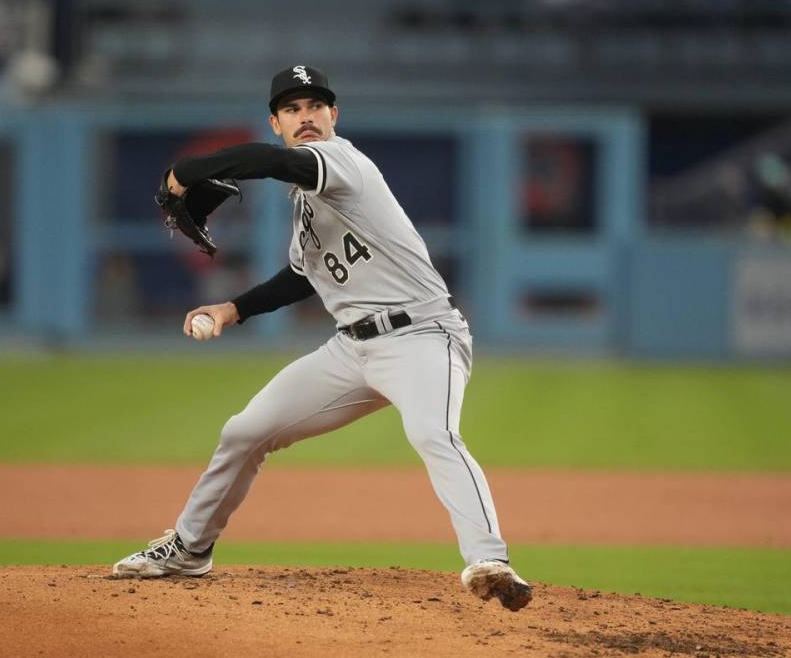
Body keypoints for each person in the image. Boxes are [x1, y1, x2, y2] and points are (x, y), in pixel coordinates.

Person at [111, 66, 532, 611]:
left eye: (315, 105)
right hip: (351, 350)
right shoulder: (306, 203)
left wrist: (186, 171)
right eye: (291, 109)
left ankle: (490, 559)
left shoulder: (341, 163)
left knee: (434, 434)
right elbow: (302, 275)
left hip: (423, 337)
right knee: (245, 431)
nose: (305, 116)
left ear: (334, 115)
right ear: (276, 121)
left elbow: (269, 162)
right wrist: (232, 309)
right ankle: (189, 549)